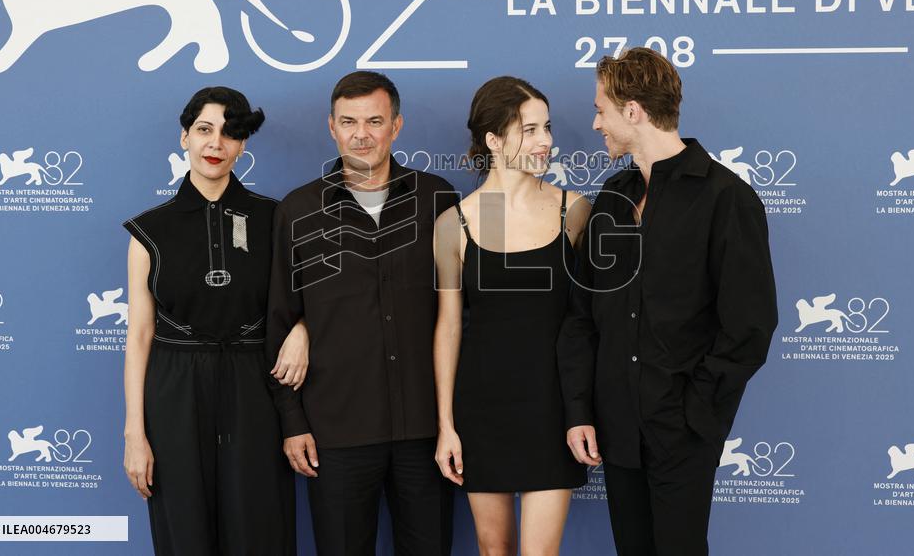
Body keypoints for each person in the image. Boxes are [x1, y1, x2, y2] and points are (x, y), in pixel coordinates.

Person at [558, 48, 778, 556]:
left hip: (682, 432)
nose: (595, 124)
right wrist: (579, 410)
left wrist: (695, 415)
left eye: (601, 110)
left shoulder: (726, 198)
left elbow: (750, 326)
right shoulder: (611, 197)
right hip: (616, 429)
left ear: (632, 111)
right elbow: (582, 316)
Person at [266, 71, 458, 556]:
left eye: (375, 120)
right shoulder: (298, 210)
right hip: (336, 432)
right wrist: (293, 421)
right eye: (349, 121)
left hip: (424, 429)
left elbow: (462, 309)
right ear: (331, 127)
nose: (361, 133)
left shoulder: (439, 199)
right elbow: (279, 320)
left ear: (397, 125)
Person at [122, 86, 304, 555]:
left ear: (243, 145)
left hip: (254, 384)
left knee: (259, 525)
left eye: (229, 134)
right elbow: (140, 334)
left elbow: (300, 301)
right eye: (204, 130)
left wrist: (303, 330)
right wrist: (135, 434)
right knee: (184, 529)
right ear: (184, 137)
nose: (215, 144)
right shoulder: (149, 231)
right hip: (175, 387)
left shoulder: (273, 217)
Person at [433, 76, 590, 556]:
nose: (545, 141)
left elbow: (586, 320)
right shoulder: (454, 223)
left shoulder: (575, 211)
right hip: (482, 410)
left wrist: (582, 410)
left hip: (551, 407)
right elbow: (450, 326)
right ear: (494, 140)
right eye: (530, 130)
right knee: (492, 547)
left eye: (547, 127)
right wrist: (446, 424)